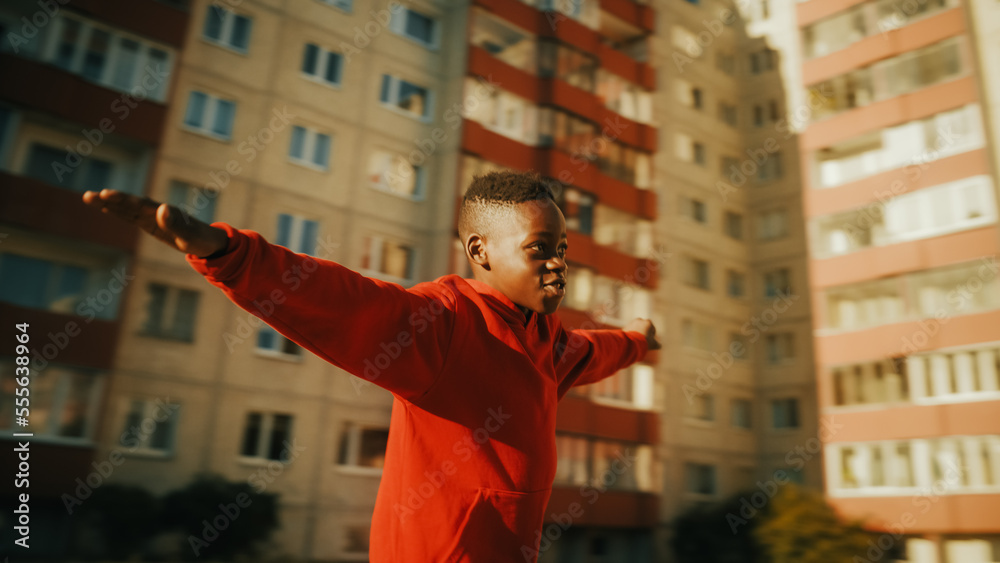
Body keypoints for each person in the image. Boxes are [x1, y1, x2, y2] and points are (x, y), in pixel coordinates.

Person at [81, 170, 659, 562]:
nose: (558, 265)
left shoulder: (547, 342)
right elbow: (344, 300)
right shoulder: (444, 324)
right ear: (480, 251)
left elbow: (595, 349)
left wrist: (636, 338)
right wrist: (228, 253)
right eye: (540, 249)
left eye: (562, 250)